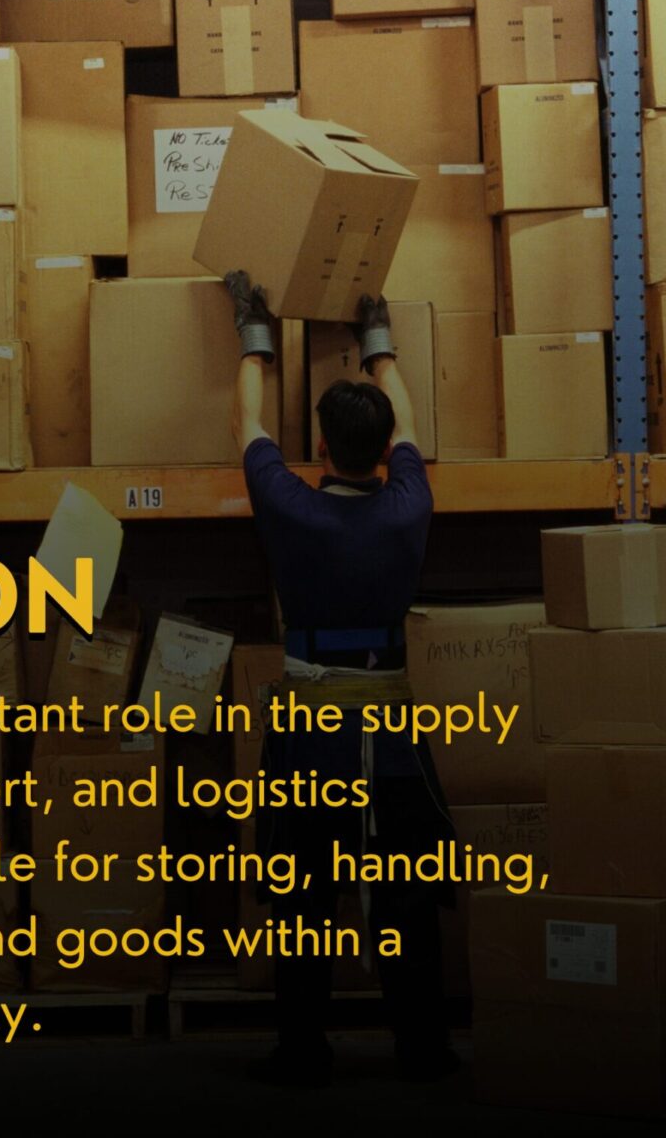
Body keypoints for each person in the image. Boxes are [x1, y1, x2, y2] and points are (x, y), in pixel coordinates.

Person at [224, 271, 458, 1088]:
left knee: (300, 901)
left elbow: (246, 423)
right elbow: (412, 424)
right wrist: (380, 335)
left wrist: (255, 330)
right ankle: (423, 1052)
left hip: (308, 738)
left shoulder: (291, 506)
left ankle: (302, 1050)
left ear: (319, 449)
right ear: (389, 447)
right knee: (405, 898)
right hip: (390, 739)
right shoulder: (410, 505)